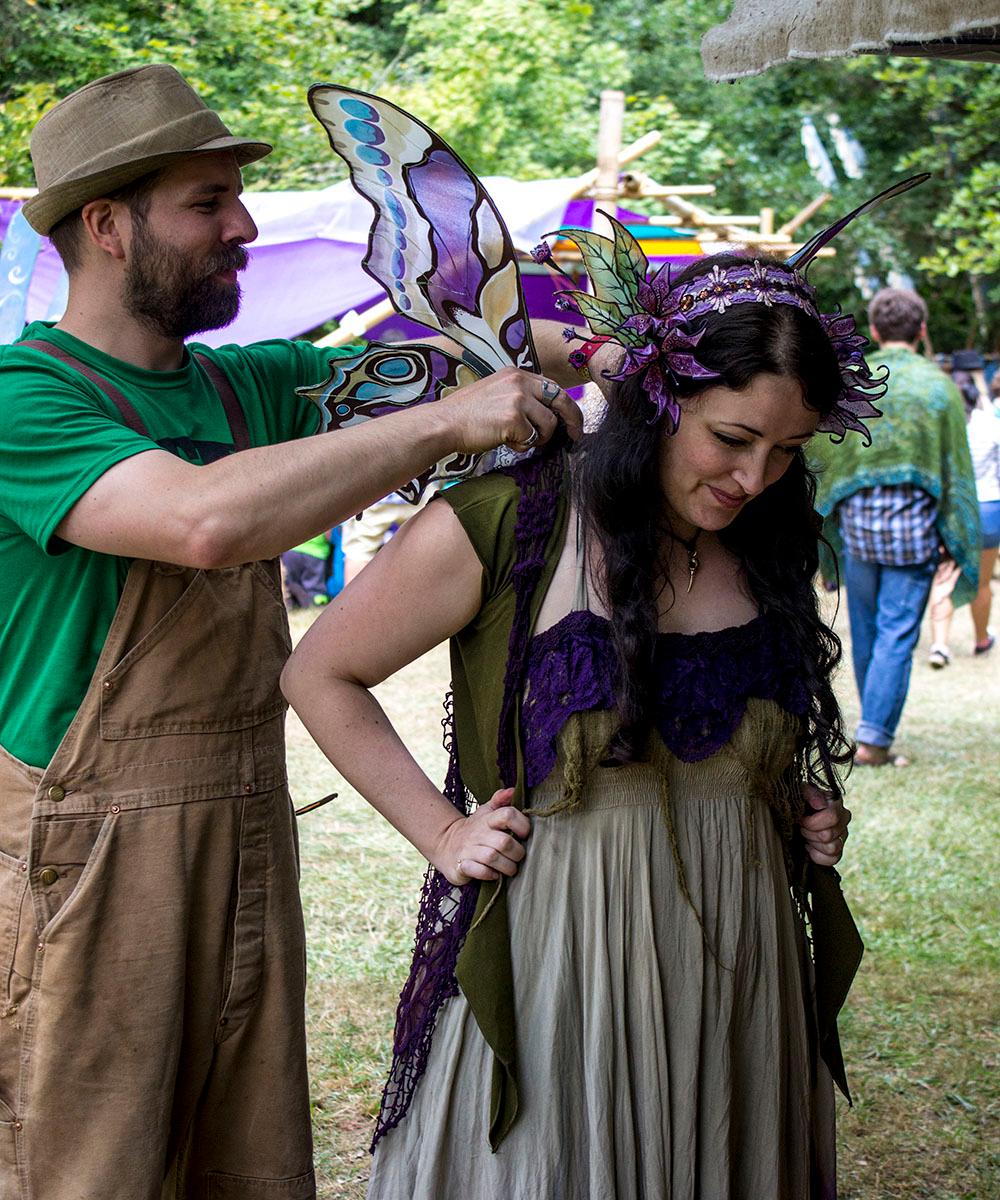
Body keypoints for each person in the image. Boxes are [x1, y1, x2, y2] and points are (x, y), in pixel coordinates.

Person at [0, 65, 582, 1199]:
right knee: (87, 1164)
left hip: (245, 818)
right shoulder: (26, 398)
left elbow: (473, 359)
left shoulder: (248, 388)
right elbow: (203, 521)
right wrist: (442, 424)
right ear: (108, 225)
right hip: (87, 850)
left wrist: (656, 334)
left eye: (238, 198)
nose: (245, 228)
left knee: (246, 1155)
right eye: (206, 202)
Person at [283, 242, 866, 1198]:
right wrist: (443, 832)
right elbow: (320, 672)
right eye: (731, 438)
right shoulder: (512, 519)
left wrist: (796, 808)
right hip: (568, 964)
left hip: (743, 959)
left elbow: (733, 745)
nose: (756, 476)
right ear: (658, 403)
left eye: (788, 449)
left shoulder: (766, 545)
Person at [812, 287, 979, 767]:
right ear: (922, 329)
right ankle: (874, 739)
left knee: (865, 632)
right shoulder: (937, 386)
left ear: (877, 330)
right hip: (914, 534)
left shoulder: (859, 381)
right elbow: (955, 468)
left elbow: (825, 453)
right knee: (897, 634)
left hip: (859, 533)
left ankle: (871, 727)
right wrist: (953, 532)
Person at [927, 350, 1000, 663]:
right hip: (989, 510)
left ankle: (940, 645)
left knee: (945, 576)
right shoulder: (992, 424)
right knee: (982, 582)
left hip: (955, 509)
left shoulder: (946, 427)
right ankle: (981, 639)